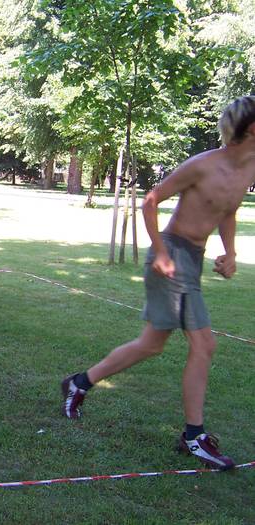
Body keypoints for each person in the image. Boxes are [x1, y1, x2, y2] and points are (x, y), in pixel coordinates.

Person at [62, 96, 255, 470]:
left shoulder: (249, 167)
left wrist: (230, 252)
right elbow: (151, 201)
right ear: (251, 129)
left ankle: (79, 383)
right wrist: (162, 252)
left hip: (192, 258)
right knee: (204, 344)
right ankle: (194, 437)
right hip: (172, 255)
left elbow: (228, 210)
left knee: (151, 344)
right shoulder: (202, 165)